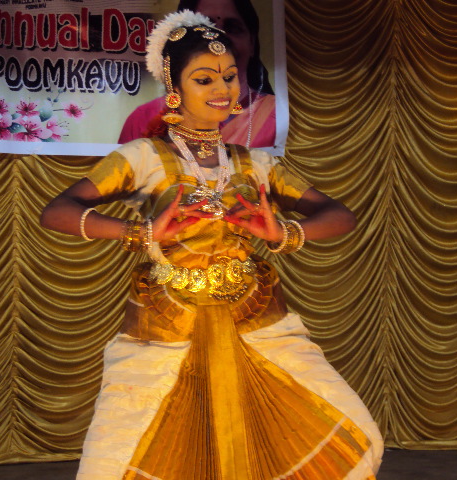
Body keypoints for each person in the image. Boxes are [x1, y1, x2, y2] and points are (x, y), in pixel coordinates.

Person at [41, 10, 383, 479]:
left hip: (256, 317)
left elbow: (340, 215)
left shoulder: (254, 163)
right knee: (114, 463)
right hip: (167, 323)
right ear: (174, 90)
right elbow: (57, 212)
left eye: (229, 76)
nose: (223, 88)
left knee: (356, 436)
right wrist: (140, 233)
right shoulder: (143, 157)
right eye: (204, 79)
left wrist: (282, 233)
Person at [118, 0, 276, 148]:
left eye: (233, 28)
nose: (218, 39)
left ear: (252, 42)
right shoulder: (142, 120)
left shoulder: (276, 115)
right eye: (204, 80)